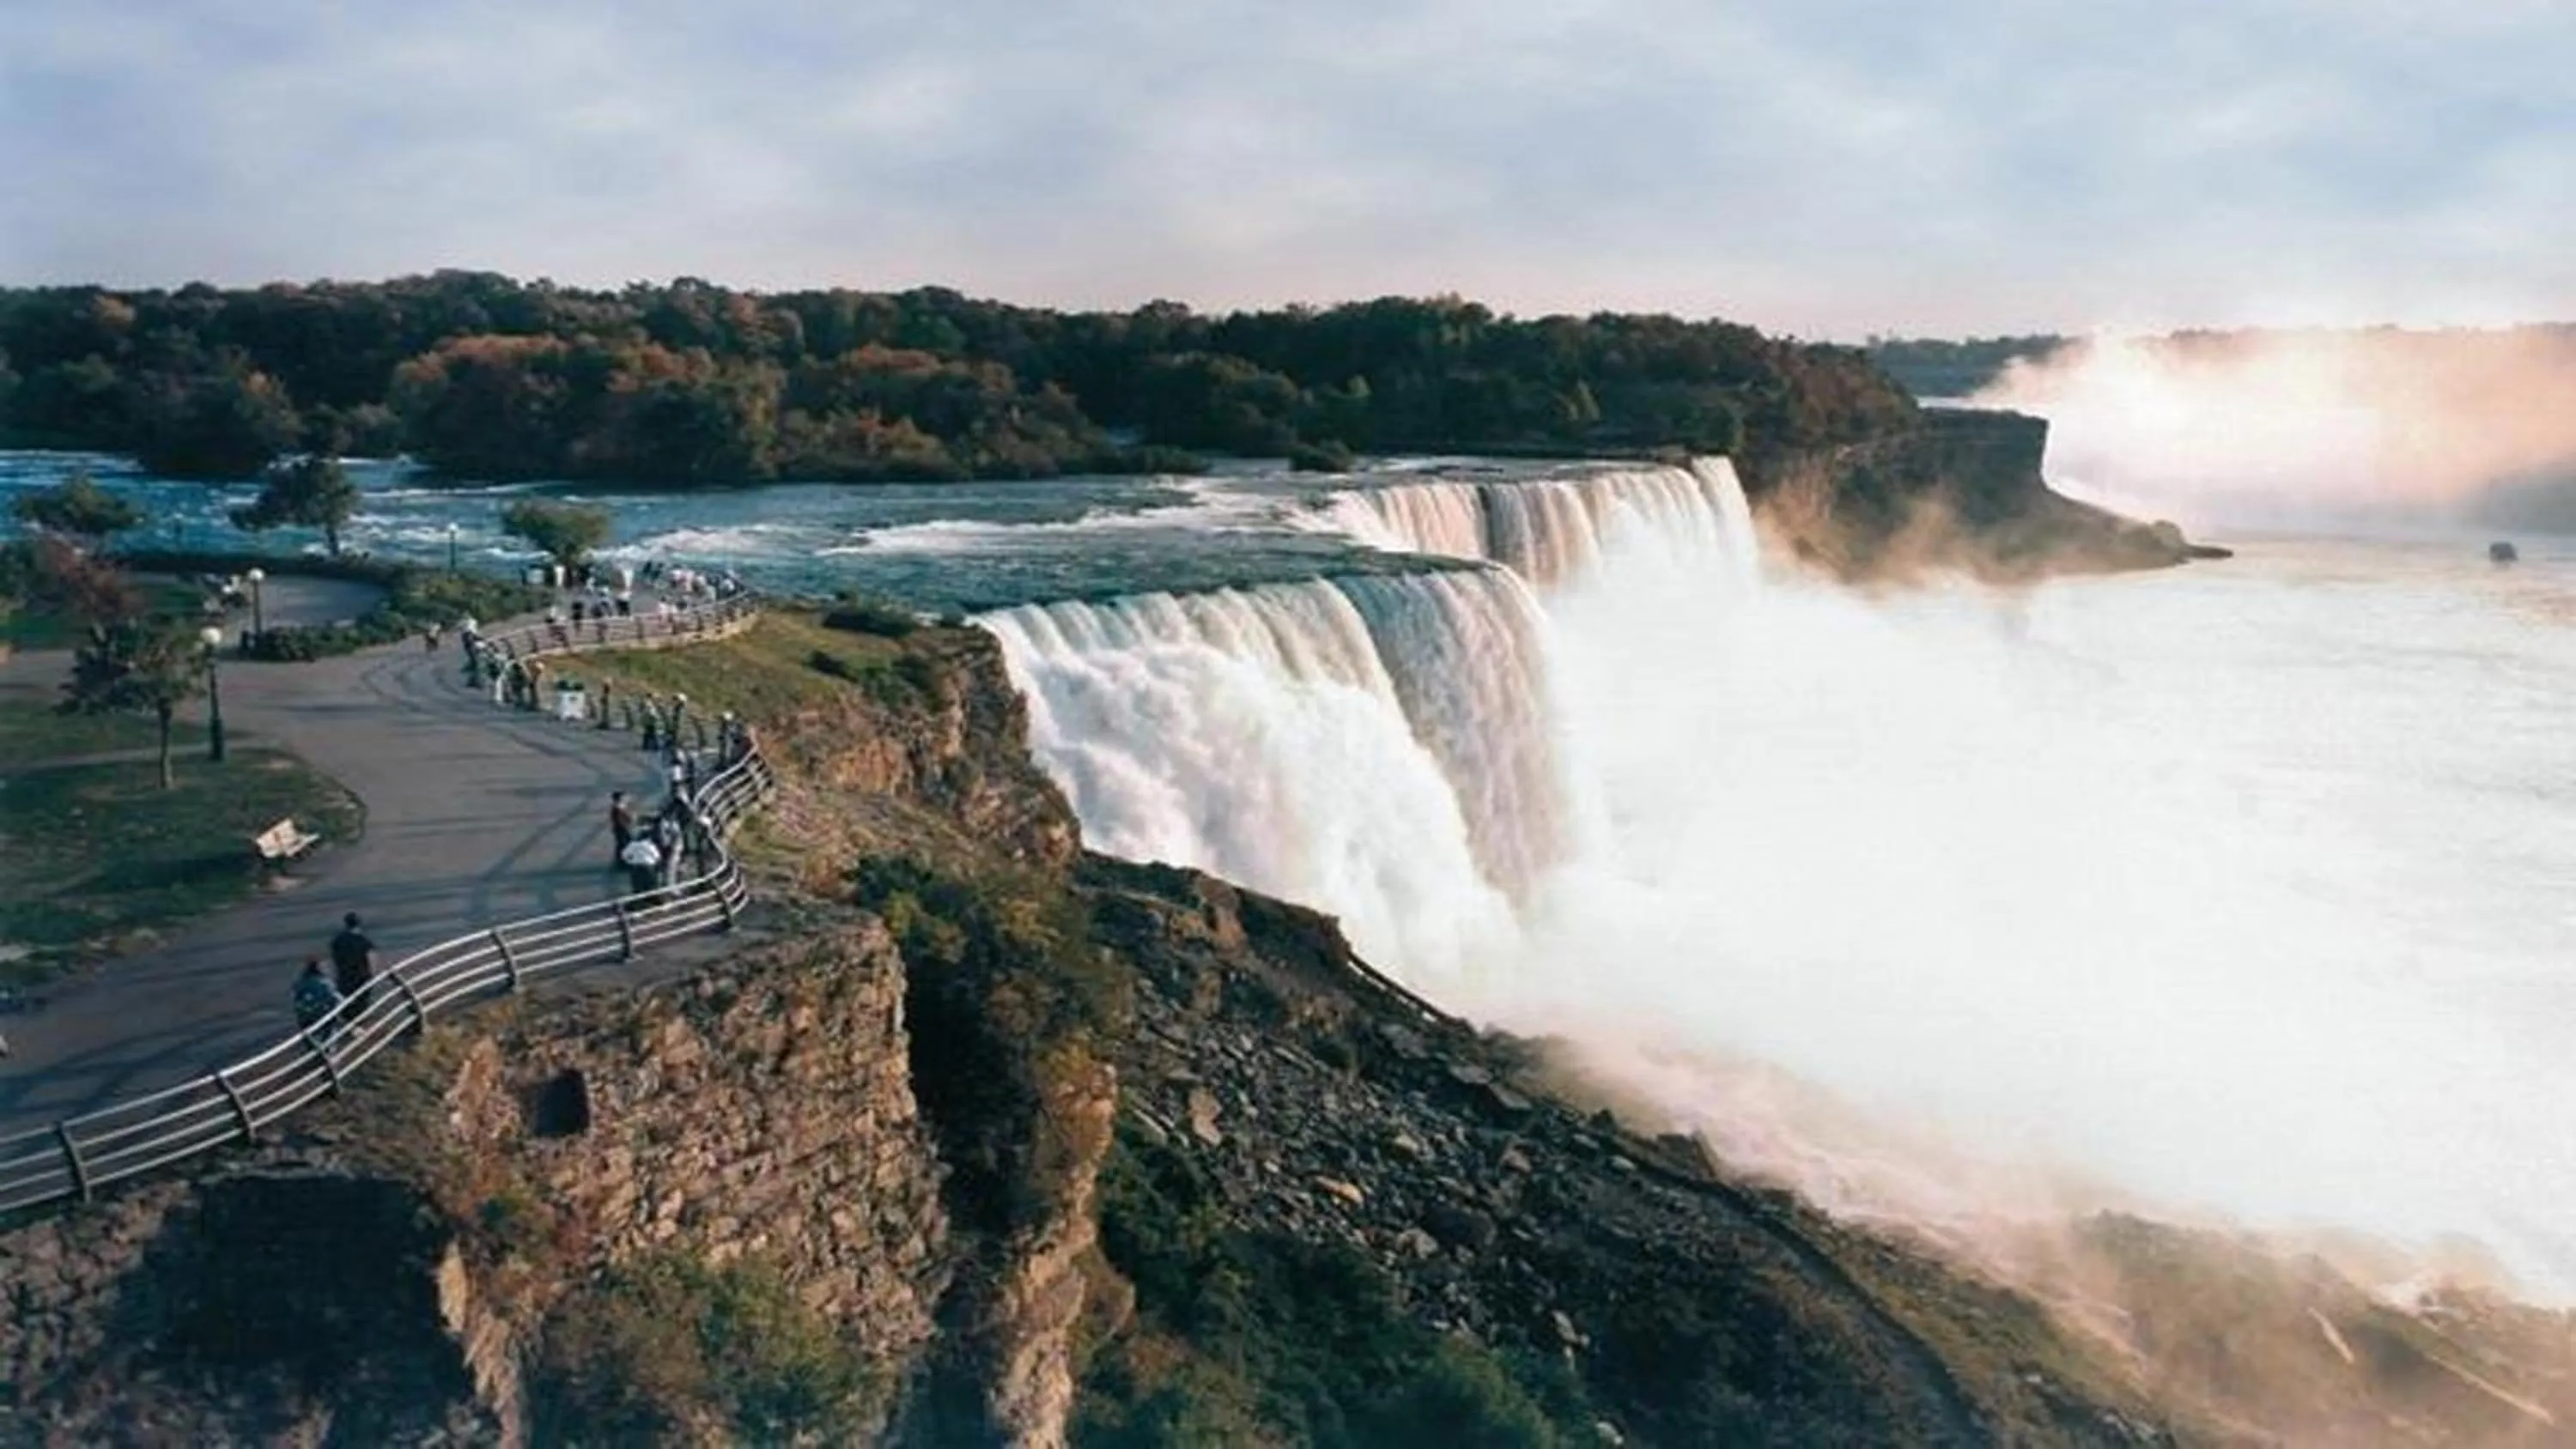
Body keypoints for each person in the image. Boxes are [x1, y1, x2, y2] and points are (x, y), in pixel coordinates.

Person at [329, 912, 378, 1010]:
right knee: (361, 1005)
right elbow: (371, 959)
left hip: (344, 977)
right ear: (359, 924)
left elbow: (334, 959)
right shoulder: (363, 941)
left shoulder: (338, 940)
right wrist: (373, 976)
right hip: (361, 977)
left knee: (347, 1005)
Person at [293, 957, 342, 1038]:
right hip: (323, 1015)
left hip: (305, 1017)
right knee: (328, 1035)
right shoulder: (324, 982)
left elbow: (296, 999)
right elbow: (336, 997)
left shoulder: (300, 983)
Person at [621, 834, 664, 901]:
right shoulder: (649, 845)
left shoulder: (632, 845)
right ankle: (653, 900)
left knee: (637, 887)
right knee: (651, 885)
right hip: (649, 867)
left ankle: (638, 902)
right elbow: (657, 856)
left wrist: (630, 861)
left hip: (636, 867)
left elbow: (624, 855)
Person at [609, 790, 637, 867]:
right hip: (622, 829)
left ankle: (622, 860)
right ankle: (623, 861)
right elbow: (620, 820)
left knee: (623, 845)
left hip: (622, 829)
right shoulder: (617, 809)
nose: (626, 799)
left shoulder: (621, 807)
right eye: (624, 798)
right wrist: (630, 819)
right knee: (624, 845)